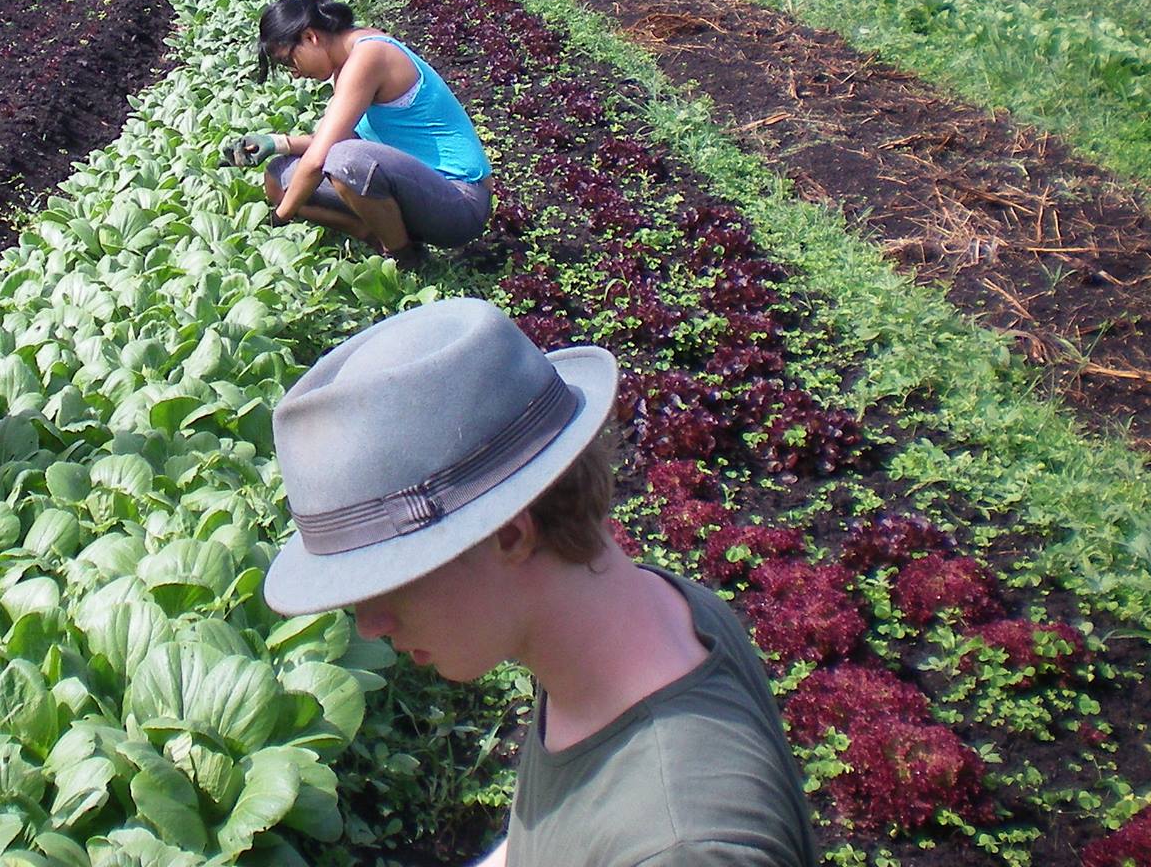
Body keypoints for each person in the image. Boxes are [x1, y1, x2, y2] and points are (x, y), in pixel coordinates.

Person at [265, 298, 820, 867]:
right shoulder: (638, 619)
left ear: (508, 537)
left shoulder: (680, 846)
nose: (370, 624)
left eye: (389, 578)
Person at [222, 0, 491, 256]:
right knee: (279, 176)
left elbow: (322, 158)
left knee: (345, 162)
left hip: (460, 202)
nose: (295, 74)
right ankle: (372, 233)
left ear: (310, 37)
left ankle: (403, 255)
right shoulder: (348, 60)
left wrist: (278, 220)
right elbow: (341, 142)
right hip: (414, 187)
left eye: (289, 61)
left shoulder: (369, 56)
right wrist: (277, 143)